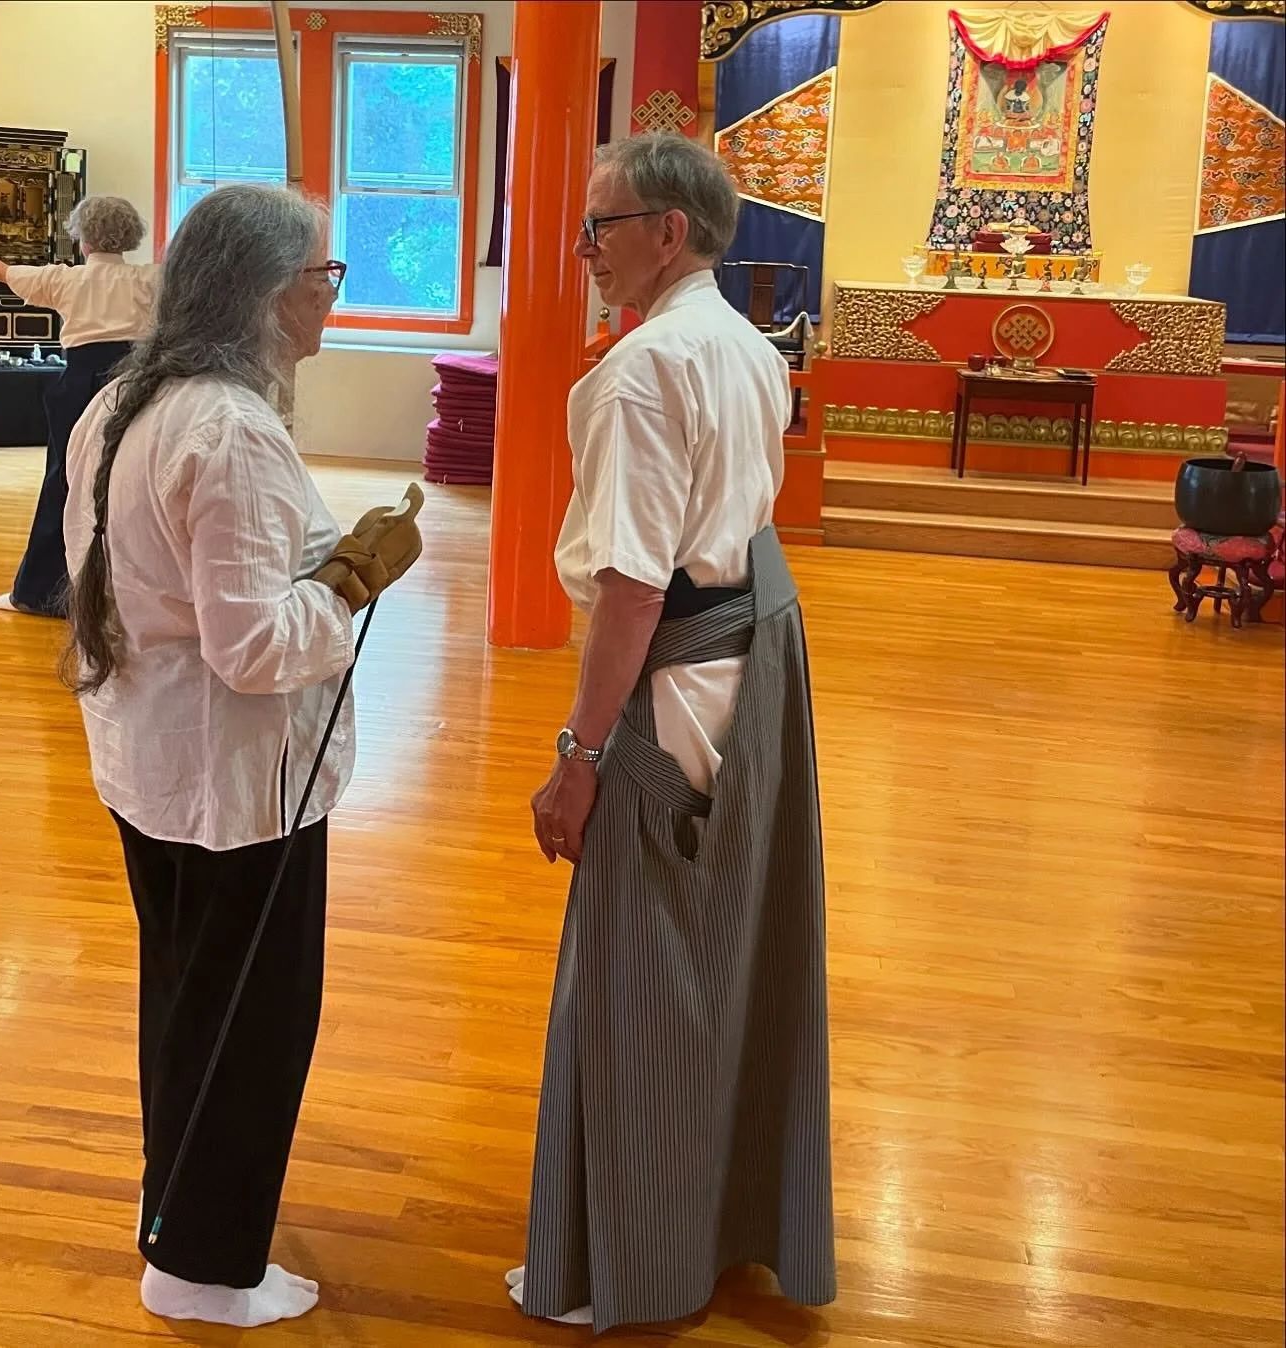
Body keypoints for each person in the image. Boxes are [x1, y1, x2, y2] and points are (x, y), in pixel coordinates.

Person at [60, 183, 421, 1329]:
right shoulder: (229, 430)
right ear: (267, 293)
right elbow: (255, 646)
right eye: (323, 275)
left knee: (188, 1001)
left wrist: (326, 567)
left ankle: (177, 1214)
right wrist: (350, 582)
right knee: (249, 1024)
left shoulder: (124, 401)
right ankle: (204, 1268)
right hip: (234, 785)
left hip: (157, 763)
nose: (331, 296)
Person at [510, 132, 835, 1332]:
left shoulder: (643, 370)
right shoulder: (747, 345)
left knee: (639, 976)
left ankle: (631, 1261)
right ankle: (719, 1221)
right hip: (749, 664)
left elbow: (634, 587)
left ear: (670, 232)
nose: (583, 249)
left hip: (679, 680)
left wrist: (580, 758)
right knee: (719, 952)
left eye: (601, 225)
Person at [0, 194, 158, 617]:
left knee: (64, 480)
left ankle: (38, 593)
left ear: (82, 239)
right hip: (138, 388)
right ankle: (128, 596)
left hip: (80, 388)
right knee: (133, 483)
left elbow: (0, 271)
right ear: (130, 236)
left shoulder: (66, 279)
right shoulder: (151, 279)